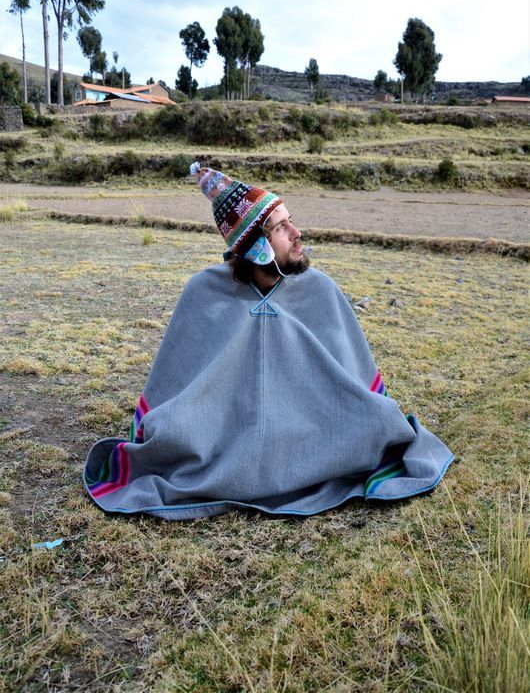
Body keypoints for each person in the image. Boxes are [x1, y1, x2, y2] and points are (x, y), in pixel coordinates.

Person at [84, 164, 453, 520]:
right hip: (224, 430)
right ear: (256, 246)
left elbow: (354, 378)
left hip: (313, 425)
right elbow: (174, 380)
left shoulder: (319, 290)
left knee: (378, 423)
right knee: (176, 432)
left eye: (290, 220)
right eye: (280, 227)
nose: (297, 233)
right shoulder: (204, 292)